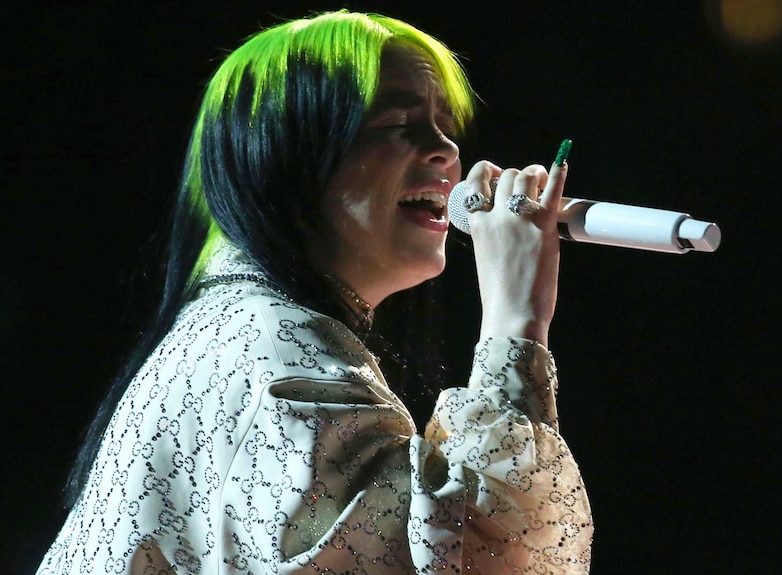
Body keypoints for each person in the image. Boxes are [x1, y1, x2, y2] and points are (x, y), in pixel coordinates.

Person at [36, 10, 593, 574]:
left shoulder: (240, 330)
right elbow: (473, 557)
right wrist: (515, 321)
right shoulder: (272, 349)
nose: (446, 149)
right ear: (282, 154)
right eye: (398, 121)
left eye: (445, 125)